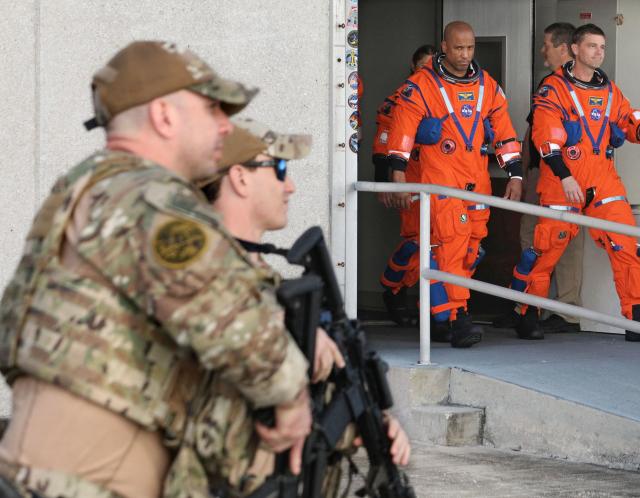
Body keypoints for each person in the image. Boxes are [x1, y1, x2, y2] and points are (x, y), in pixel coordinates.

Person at [0, 41, 312, 498]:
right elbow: (237, 327)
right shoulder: (152, 199)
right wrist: (292, 397)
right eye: (212, 108)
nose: (226, 125)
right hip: (87, 477)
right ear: (164, 116)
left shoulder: (90, 185)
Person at [185, 118, 411, 497]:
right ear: (239, 178)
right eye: (279, 169)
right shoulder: (192, 275)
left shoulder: (266, 285)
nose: (290, 186)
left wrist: (366, 422)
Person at [384, 21, 524, 348]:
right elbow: (401, 130)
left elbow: (504, 130)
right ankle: (459, 317)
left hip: (477, 180)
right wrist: (398, 172)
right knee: (452, 243)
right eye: (458, 48)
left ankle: (439, 312)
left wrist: (515, 174)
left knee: (472, 249)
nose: (464, 54)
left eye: (470, 48)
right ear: (444, 47)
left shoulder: (487, 85)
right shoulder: (421, 86)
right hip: (442, 181)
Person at [512, 24, 640, 341]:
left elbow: (631, 123)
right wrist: (565, 175)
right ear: (574, 49)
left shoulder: (610, 92)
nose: (599, 53)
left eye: (602, 47)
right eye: (592, 46)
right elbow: (545, 139)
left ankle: (635, 318)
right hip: (561, 184)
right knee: (544, 254)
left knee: (627, 246)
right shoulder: (552, 89)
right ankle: (527, 316)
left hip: (603, 182)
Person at [496, 22, 584, 334]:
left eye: (547, 44)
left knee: (566, 238)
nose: (542, 50)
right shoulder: (550, 83)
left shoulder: (580, 84)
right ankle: (525, 304)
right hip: (539, 173)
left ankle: (564, 311)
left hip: (565, 176)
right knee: (531, 237)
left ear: (564, 48)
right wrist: (519, 170)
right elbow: (533, 132)